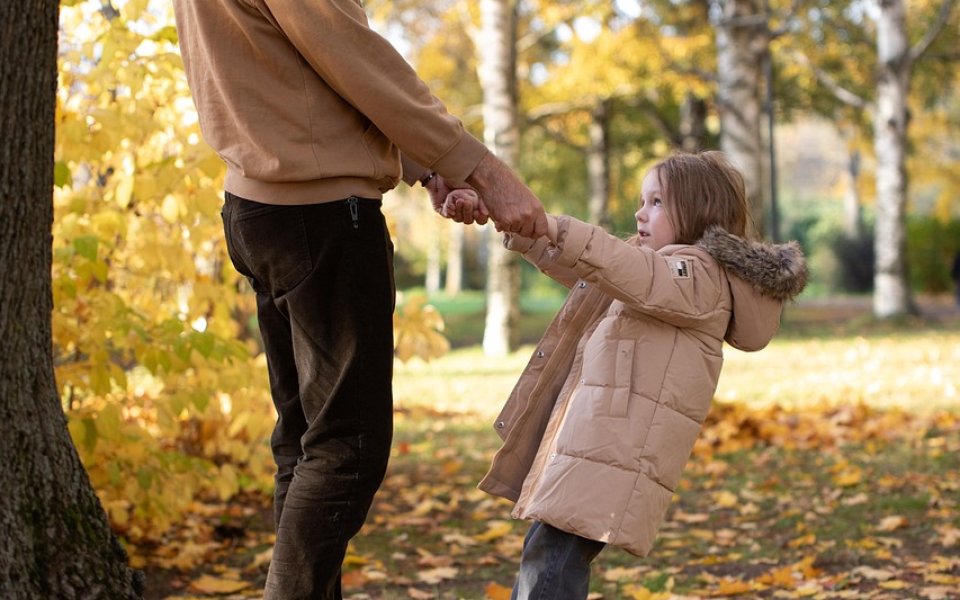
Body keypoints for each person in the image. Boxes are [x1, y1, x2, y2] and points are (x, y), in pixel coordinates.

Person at [171, 1, 546, 598]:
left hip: (260, 207)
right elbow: (354, 57)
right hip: (318, 217)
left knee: (307, 447)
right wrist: (483, 170)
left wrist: (426, 166)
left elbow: (310, 67)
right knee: (347, 450)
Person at [445, 151, 808, 599]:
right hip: (598, 446)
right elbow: (588, 264)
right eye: (642, 199)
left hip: (614, 450)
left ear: (699, 211)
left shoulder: (697, 276)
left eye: (656, 202)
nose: (640, 211)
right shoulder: (659, 267)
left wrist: (554, 225)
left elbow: (620, 265)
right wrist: (516, 222)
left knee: (551, 560)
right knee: (548, 552)